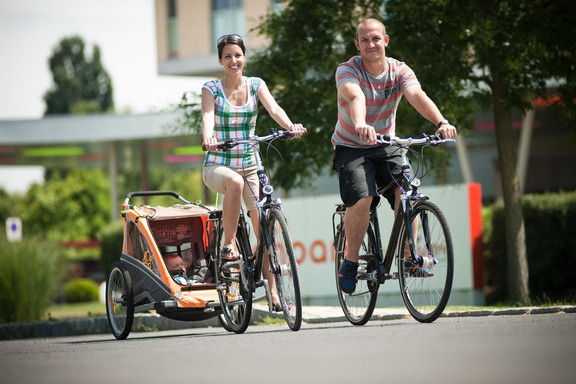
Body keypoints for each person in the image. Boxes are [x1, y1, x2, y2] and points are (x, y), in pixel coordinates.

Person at [333, 19, 457, 294]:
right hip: (352, 146)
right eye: (364, 40)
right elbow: (355, 97)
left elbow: (416, 95)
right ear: (357, 45)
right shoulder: (347, 70)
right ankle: (350, 260)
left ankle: (406, 255)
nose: (371, 44)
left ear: (386, 40)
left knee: (408, 192)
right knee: (362, 198)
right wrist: (361, 123)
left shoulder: (399, 70)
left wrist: (441, 122)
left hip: (388, 144)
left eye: (376, 39)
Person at [201, 34, 306, 310]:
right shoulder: (211, 88)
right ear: (221, 61)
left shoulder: (256, 84)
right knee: (233, 183)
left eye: (237, 55)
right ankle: (229, 244)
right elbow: (207, 117)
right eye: (227, 57)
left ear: (244, 57)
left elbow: (273, 108)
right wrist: (208, 137)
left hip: (250, 163)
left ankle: (273, 289)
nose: (233, 61)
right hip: (218, 165)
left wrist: (290, 126)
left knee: (265, 228)